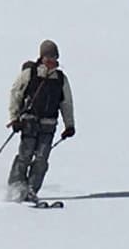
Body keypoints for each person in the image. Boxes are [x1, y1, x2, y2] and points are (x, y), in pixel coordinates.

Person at [5, 40, 76, 201]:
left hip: (49, 124)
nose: (51, 61)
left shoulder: (60, 79)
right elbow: (16, 94)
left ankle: (32, 189)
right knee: (25, 155)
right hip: (29, 122)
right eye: (48, 57)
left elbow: (66, 103)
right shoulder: (30, 73)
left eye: (54, 57)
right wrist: (14, 118)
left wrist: (69, 125)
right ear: (42, 57)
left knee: (42, 159)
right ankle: (16, 186)